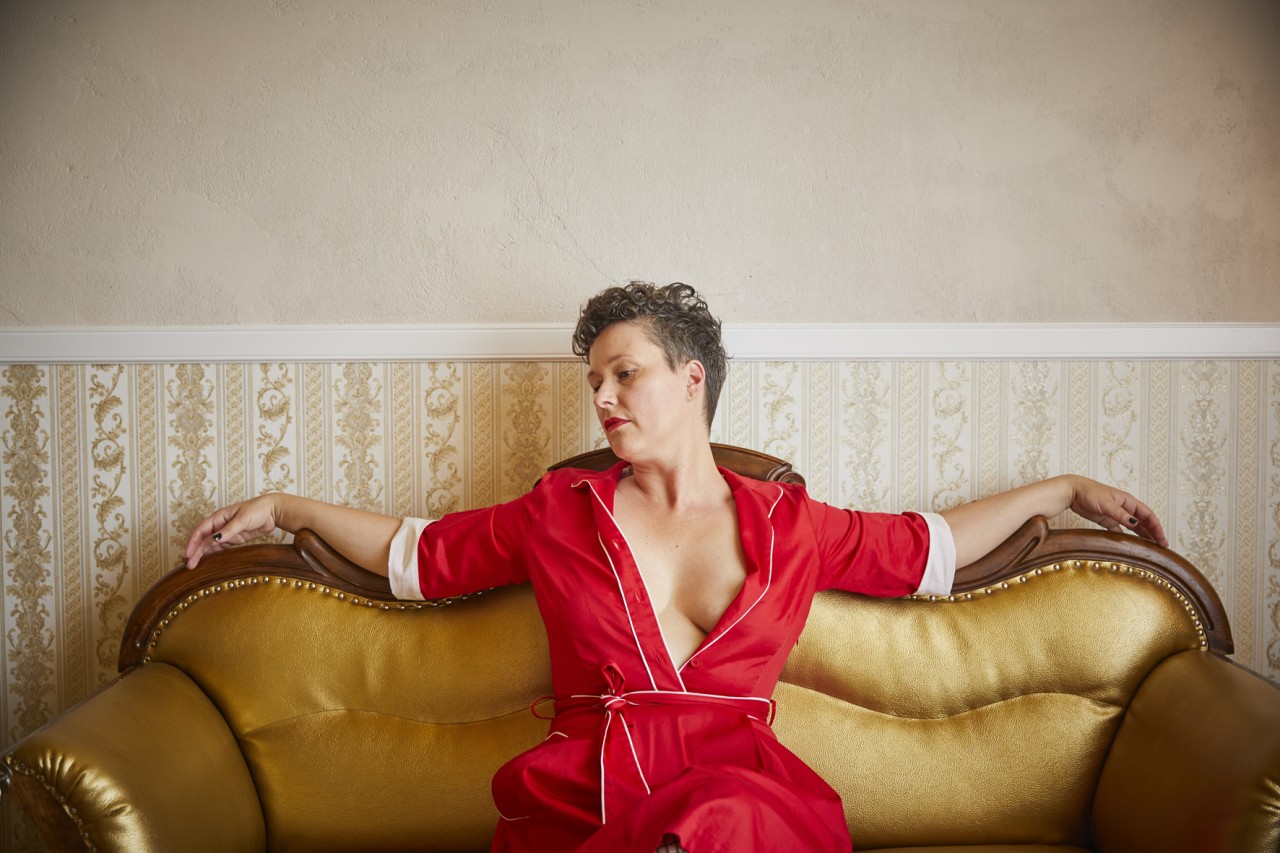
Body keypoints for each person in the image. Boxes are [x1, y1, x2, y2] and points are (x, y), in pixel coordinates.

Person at [184, 282, 1167, 853]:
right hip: (585, 805)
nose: (603, 397)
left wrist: (1059, 489)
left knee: (723, 819)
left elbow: (932, 550)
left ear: (690, 380)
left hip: (743, 803)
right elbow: (418, 556)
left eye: (625, 373)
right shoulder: (556, 514)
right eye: (594, 381)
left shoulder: (793, 526)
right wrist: (286, 507)